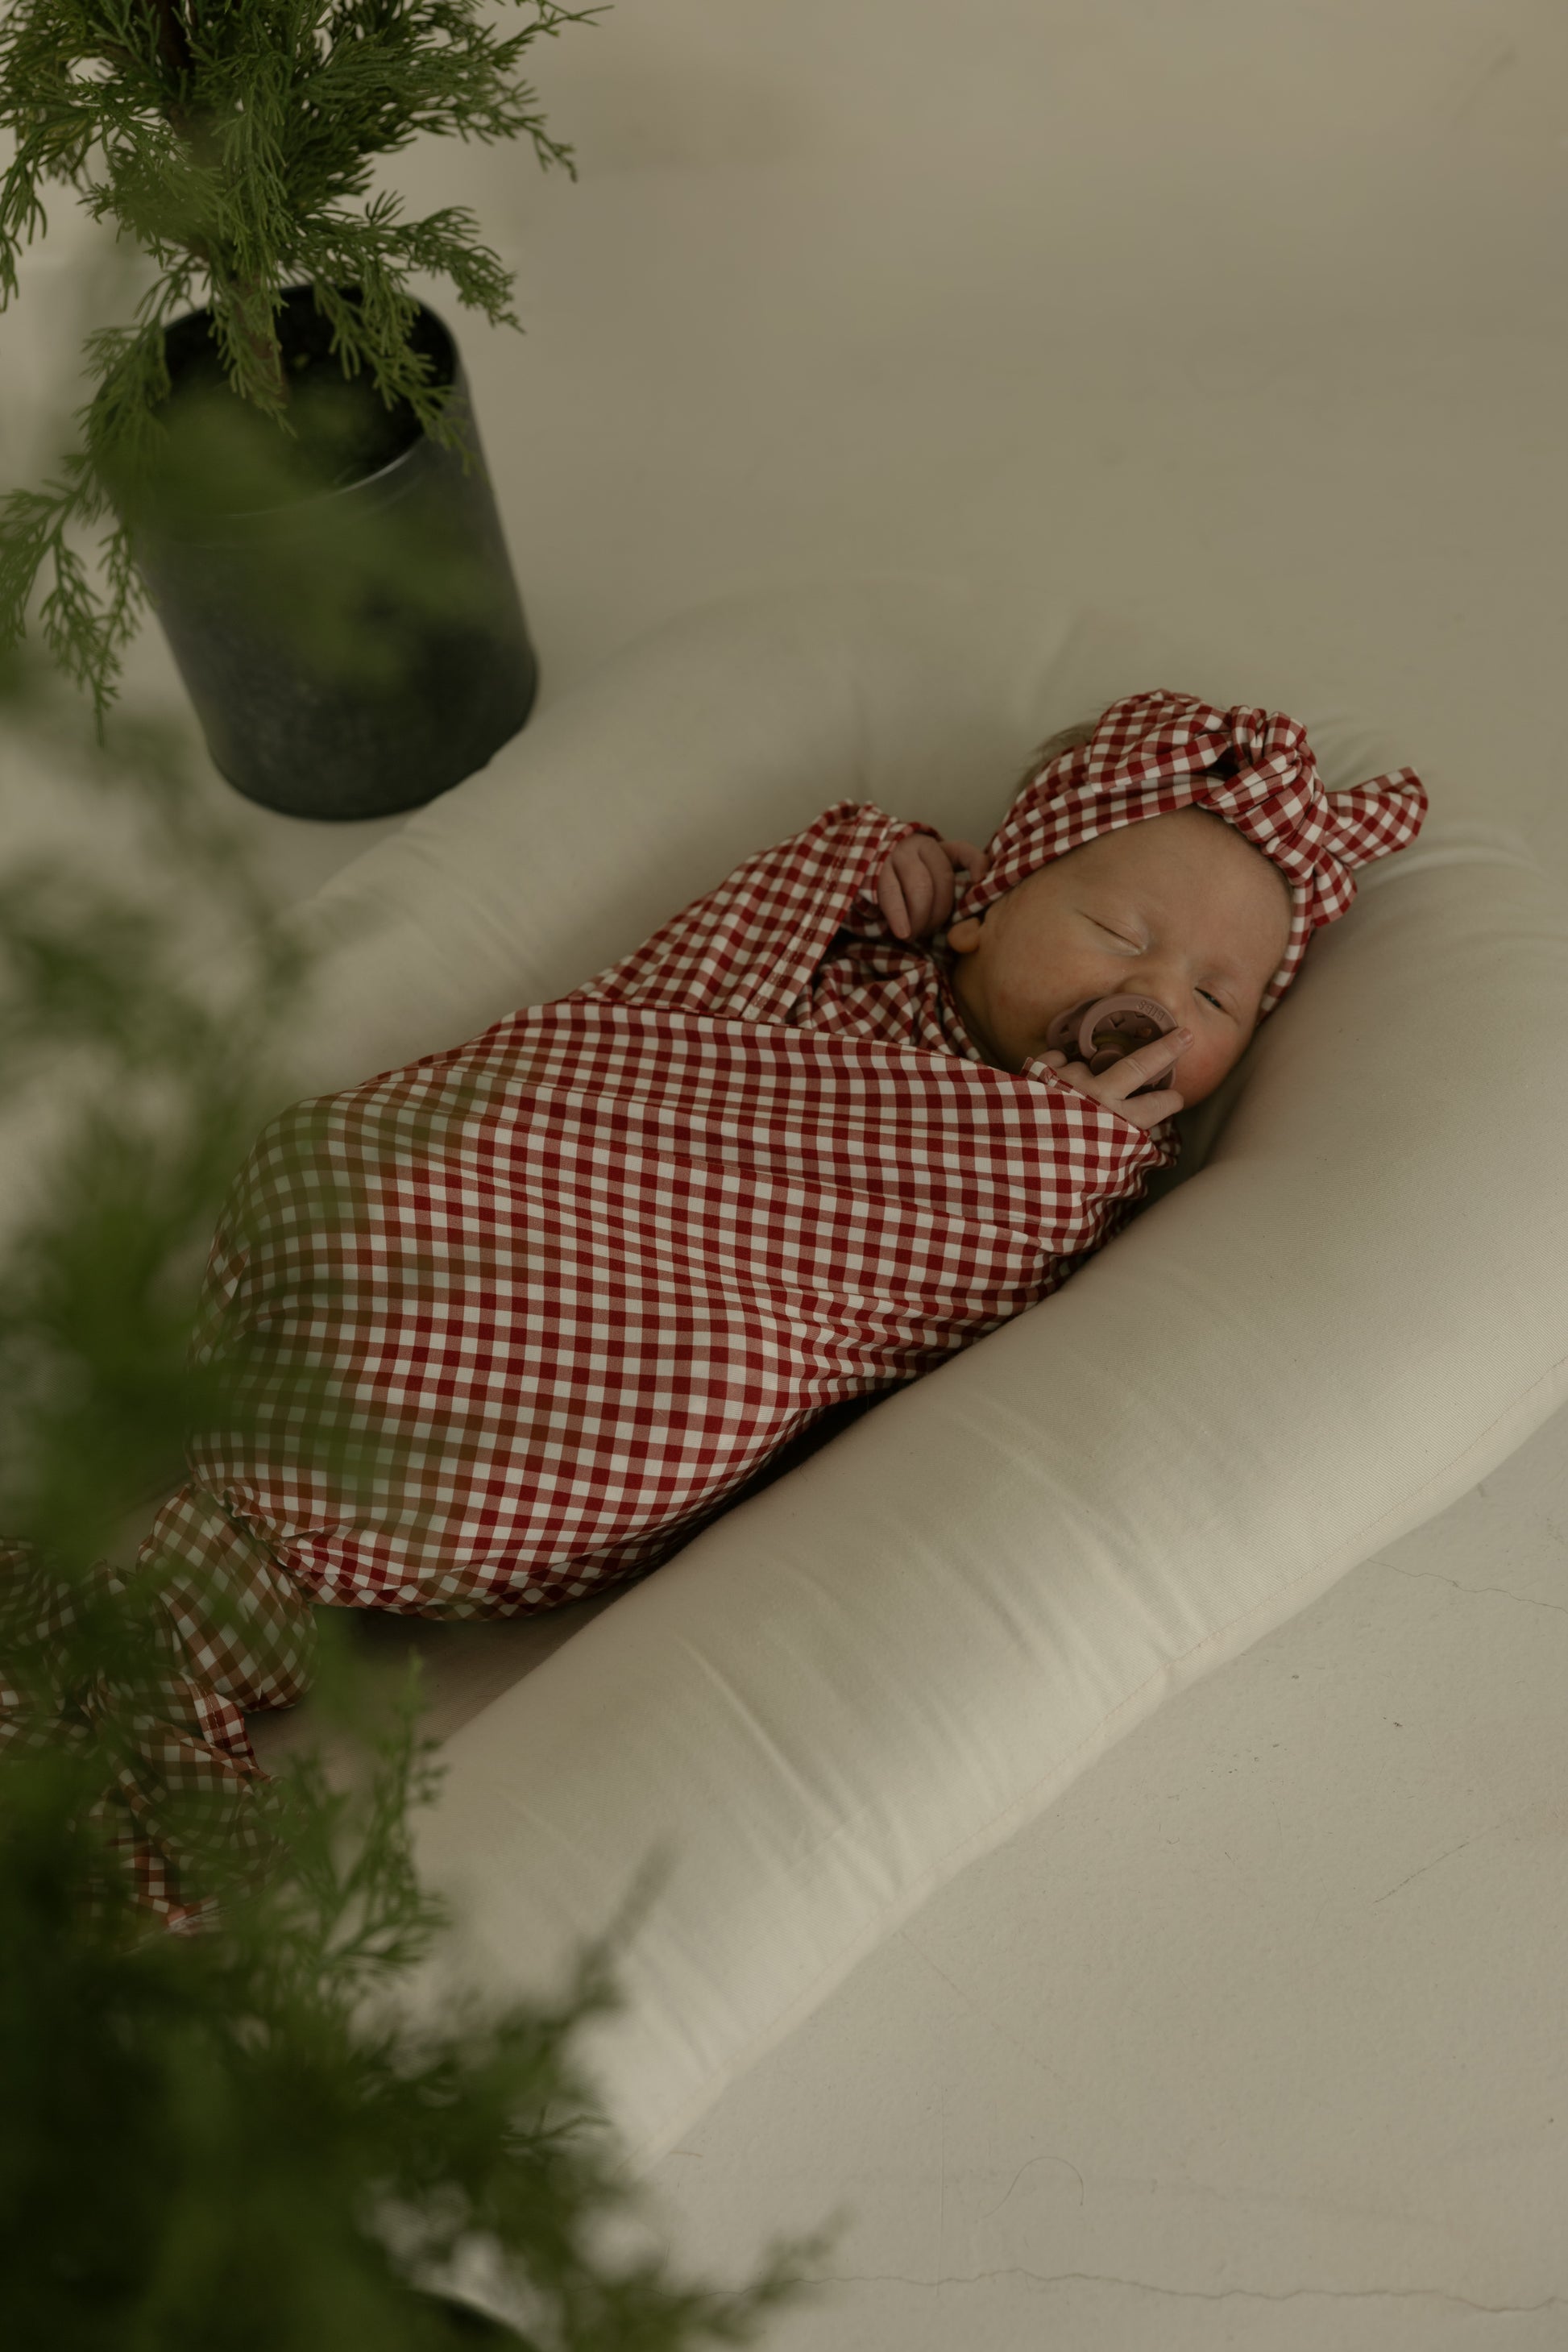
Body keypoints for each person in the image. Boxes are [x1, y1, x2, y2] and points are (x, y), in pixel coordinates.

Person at [12, 687, 1428, 1920]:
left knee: (699, 1375)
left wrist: (1048, 1152)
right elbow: (659, 1015)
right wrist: (851, 868)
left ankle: (177, 1629)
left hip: (620, 1362)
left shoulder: (1071, 1169)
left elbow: (902, 1308)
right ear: (988, 902)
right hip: (476, 1202)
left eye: (1218, 998)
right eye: (1118, 928)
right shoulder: (860, 943)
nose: (1154, 994)